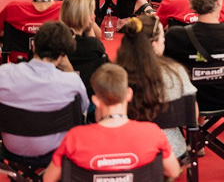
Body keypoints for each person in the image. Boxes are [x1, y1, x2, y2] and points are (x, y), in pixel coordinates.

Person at [42, 63, 181, 182]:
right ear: (128, 94)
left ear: (96, 100)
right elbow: (174, 171)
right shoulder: (152, 133)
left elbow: (48, 178)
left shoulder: (75, 137)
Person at [0, 21, 89, 166]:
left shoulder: (4, 73)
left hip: (11, 149)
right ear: (62, 55)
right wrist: (70, 70)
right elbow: (83, 109)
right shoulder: (72, 82)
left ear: (33, 46)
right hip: (54, 153)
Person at [117, 14, 198, 159]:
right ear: (153, 44)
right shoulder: (175, 72)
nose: (164, 39)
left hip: (126, 149)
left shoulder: (116, 74)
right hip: (169, 148)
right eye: (162, 36)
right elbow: (193, 112)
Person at [59, 0, 109, 100]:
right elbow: (95, 44)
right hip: (88, 97)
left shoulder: (57, 42)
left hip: (59, 96)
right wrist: (90, 29)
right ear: (89, 18)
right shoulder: (94, 47)